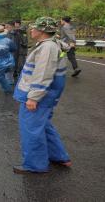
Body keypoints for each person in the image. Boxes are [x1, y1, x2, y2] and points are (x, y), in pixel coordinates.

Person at [13, 17, 71, 174]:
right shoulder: (50, 45)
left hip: (39, 96)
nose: (31, 30)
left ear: (42, 31)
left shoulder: (47, 48)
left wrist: (34, 97)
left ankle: (35, 165)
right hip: (46, 94)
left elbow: (43, 73)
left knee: (31, 128)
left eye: (34, 28)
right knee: (43, 125)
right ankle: (59, 156)